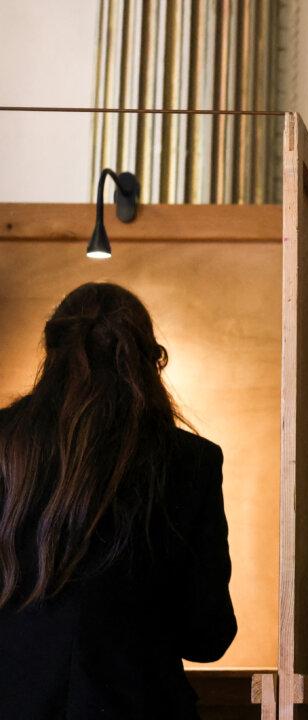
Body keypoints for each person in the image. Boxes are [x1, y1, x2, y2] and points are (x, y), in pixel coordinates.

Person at [0, 283, 237, 719]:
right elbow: (208, 636)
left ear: (52, 351)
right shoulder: (192, 462)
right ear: (149, 359)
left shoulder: (4, 444)